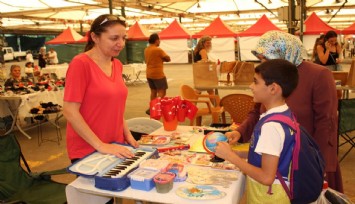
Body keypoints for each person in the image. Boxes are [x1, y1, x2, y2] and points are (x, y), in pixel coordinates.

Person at [227, 31, 343, 192]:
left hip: (305, 158)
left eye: (266, 58)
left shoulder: (319, 75)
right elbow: (257, 111)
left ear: (283, 52)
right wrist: (240, 132)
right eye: (261, 59)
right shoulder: (272, 75)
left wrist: (320, 162)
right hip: (276, 158)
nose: (263, 64)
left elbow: (327, 122)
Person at [216, 59, 299, 203]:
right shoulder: (283, 114)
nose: (251, 86)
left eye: (255, 82)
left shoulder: (271, 126)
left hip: (267, 197)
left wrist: (231, 157)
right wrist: (238, 153)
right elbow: (270, 153)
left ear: (273, 89)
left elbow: (267, 177)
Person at [63, 14, 139, 163]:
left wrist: (128, 135)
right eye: (114, 38)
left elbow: (115, 108)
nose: (121, 43)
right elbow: (69, 111)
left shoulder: (117, 65)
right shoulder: (81, 64)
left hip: (116, 146)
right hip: (88, 149)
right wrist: (101, 145)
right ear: (94, 37)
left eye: (124, 38)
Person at [144, 33, 171, 115]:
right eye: (159, 40)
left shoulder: (146, 49)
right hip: (158, 74)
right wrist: (163, 59)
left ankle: (151, 108)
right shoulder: (158, 50)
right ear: (156, 40)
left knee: (153, 91)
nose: (160, 42)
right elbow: (168, 58)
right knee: (162, 92)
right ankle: (157, 107)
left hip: (149, 73)